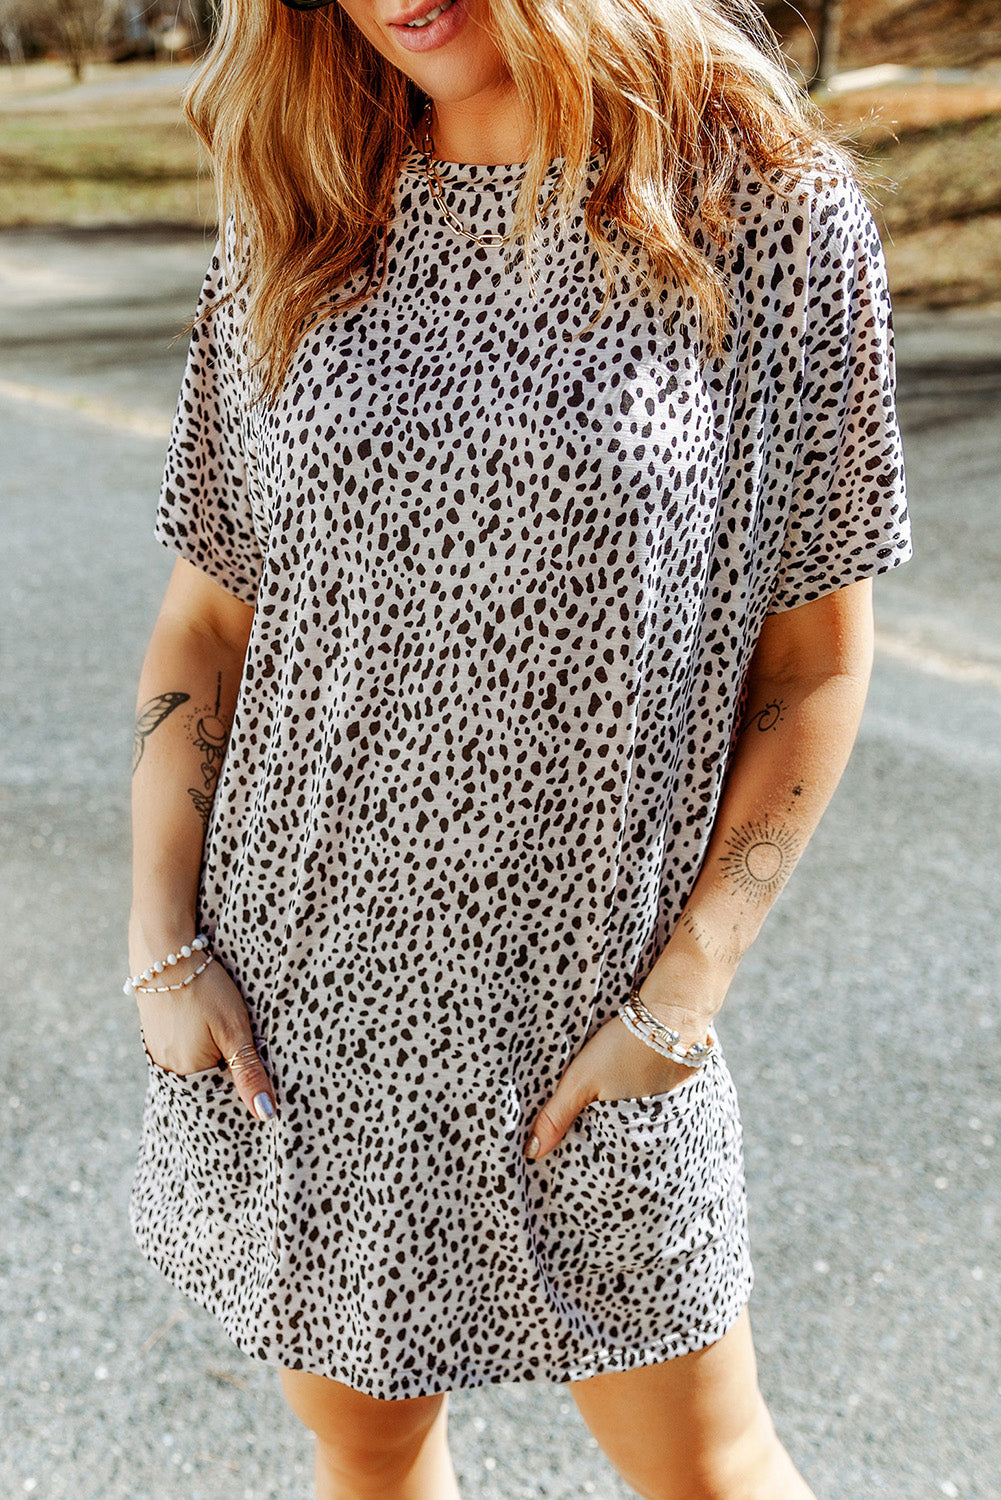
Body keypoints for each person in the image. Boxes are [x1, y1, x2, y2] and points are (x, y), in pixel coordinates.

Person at [126, 0, 912, 1495]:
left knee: (710, 1466)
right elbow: (208, 621)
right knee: (366, 1440)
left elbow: (813, 660)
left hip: (594, 1011)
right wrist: (163, 943)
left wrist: (684, 994)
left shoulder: (763, 208)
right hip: (311, 1007)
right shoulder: (305, 208)